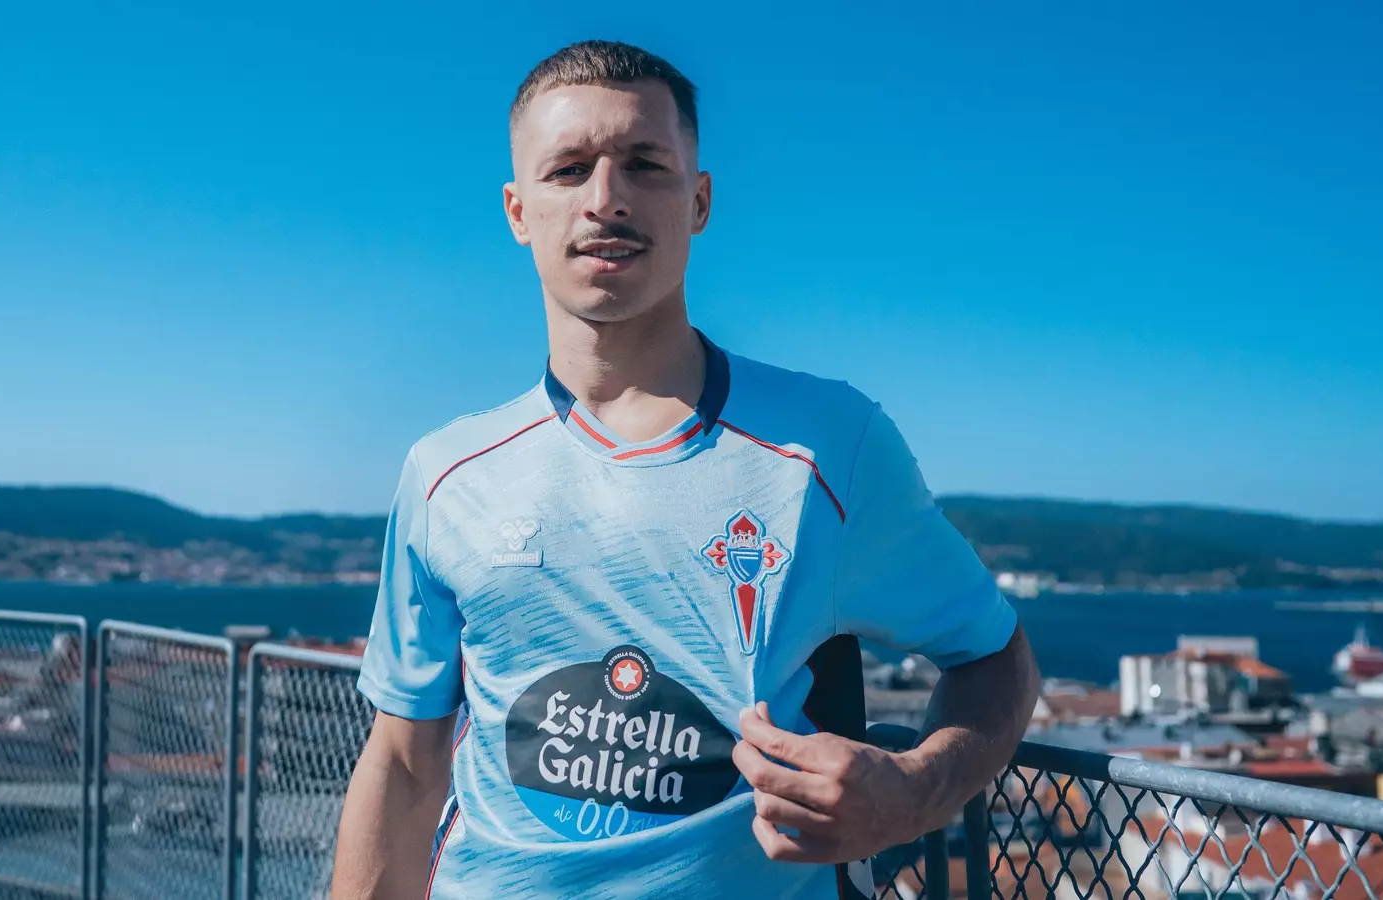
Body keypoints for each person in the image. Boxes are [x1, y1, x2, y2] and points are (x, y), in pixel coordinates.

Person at [330, 40, 1040, 900]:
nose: (606, 198)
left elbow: (996, 657)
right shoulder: (446, 474)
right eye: (568, 169)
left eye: (644, 164)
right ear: (518, 211)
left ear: (698, 200)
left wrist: (916, 793)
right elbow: (405, 766)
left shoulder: (828, 446)